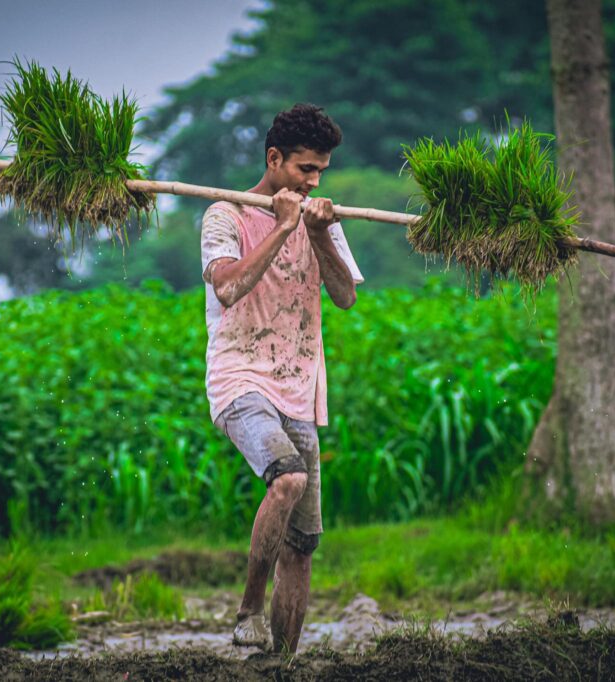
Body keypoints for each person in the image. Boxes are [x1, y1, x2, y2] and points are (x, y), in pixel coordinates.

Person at [200, 103, 364, 654]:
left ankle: (283, 663)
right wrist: (282, 225)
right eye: (304, 170)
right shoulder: (226, 215)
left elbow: (344, 297)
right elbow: (227, 288)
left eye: (321, 170)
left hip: (300, 389)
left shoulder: (325, 221)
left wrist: (316, 234)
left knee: (303, 544)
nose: (314, 180)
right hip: (240, 380)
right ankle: (248, 610)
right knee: (286, 479)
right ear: (274, 159)